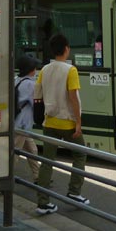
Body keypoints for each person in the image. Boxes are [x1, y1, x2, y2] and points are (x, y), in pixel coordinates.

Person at [34, 33, 89, 215]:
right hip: (67, 123)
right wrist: (78, 122)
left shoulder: (45, 70)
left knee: (47, 161)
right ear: (66, 49)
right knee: (80, 154)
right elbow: (73, 98)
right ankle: (74, 192)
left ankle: (43, 202)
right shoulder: (70, 70)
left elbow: (38, 94)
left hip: (49, 122)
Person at [13, 54, 41, 182]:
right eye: (34, 67)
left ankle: (38, 176)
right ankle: (6, 179)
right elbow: (36, 103)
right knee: (14, 153)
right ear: (30, 69)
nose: (36, 70)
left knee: (32, 150)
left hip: (18, 123)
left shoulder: (16, 79)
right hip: (22, 124)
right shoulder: (30, 84)